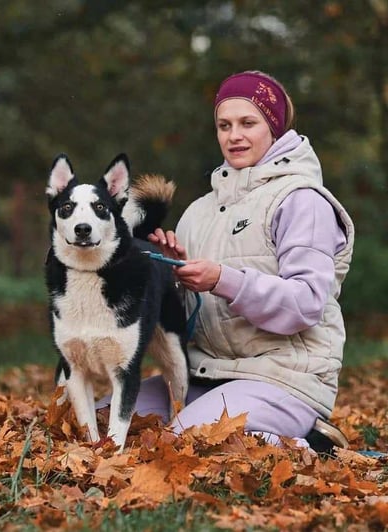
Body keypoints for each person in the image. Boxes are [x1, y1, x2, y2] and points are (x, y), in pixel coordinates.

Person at [105, 70, 355, 451]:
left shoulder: (303, 201)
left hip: (283, 379)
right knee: (96, 421)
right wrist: (172, 274)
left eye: (247, 123)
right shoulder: (199, 212)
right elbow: (186, 322)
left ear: (274, 127)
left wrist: (223, 279)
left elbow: (305, 304)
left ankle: (312, 448)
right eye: (224, 125)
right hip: (205, 374)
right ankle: (247, 432)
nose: (234, 135)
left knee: (184, 443)